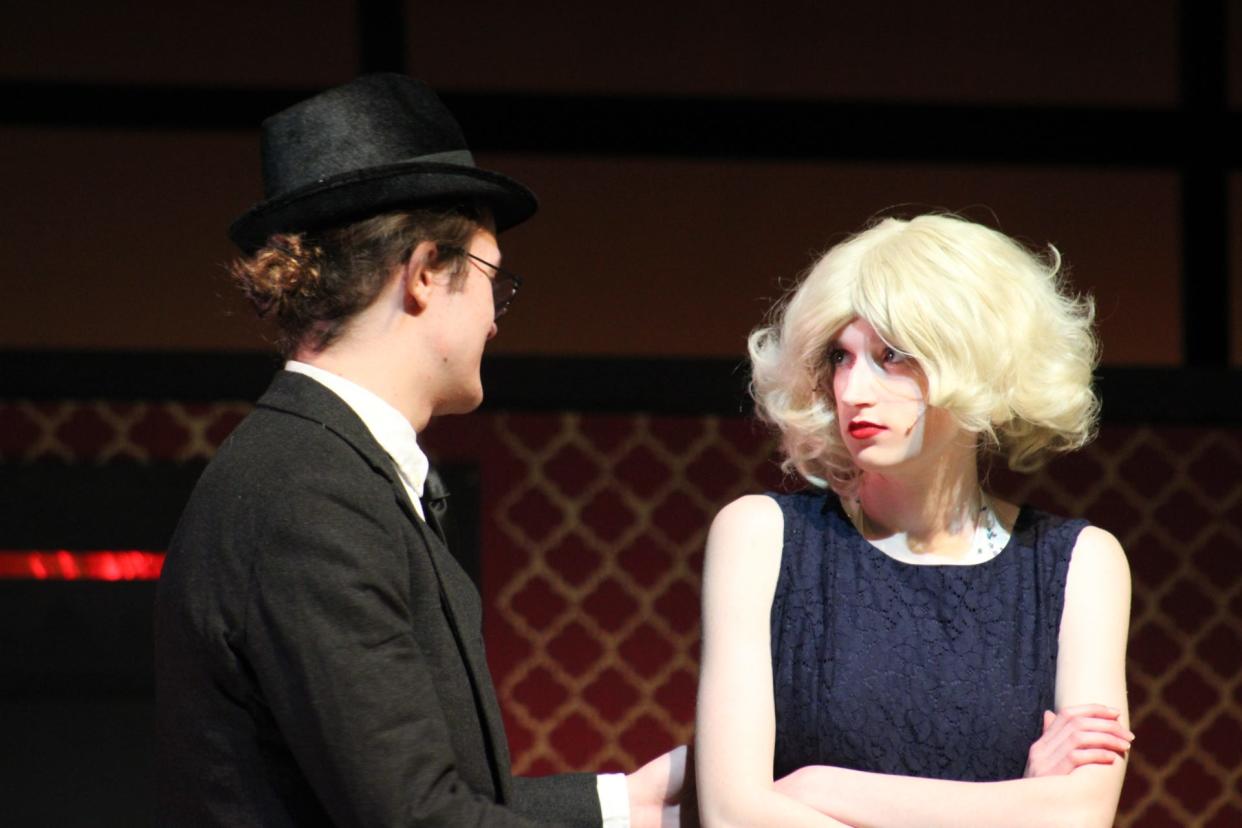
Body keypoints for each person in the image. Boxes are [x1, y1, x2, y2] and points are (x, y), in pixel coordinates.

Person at [155, 74, 683, 827]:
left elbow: (400, 787)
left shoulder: (323, 468)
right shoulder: (309, 493)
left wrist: (628, 804)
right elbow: (417, 818)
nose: (497, 324)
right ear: (427, 273)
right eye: (493, 285)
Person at [694, 213, 1133, 827]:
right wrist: (1012, 807)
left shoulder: (1078, 564)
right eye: (840, 358)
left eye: (891, 356)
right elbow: (734, 815)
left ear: (978, 362)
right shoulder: (762, 536)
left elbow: (1075, 819)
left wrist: (821, 786)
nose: (853, 390)